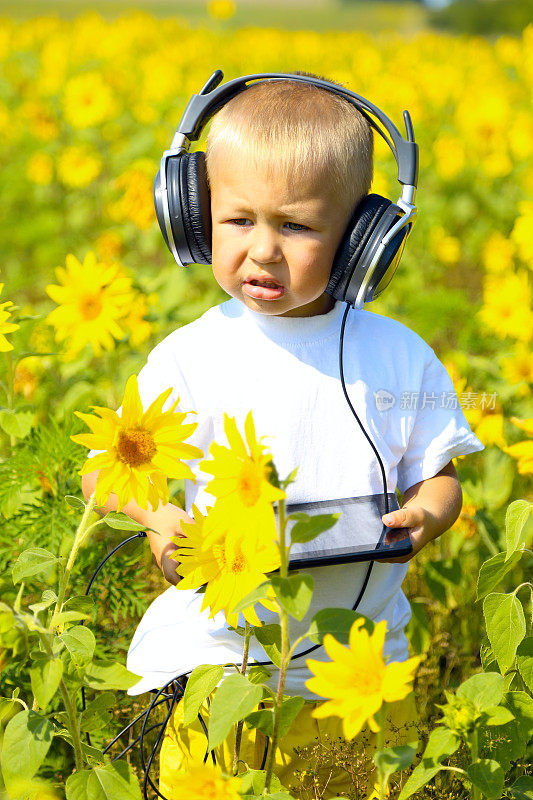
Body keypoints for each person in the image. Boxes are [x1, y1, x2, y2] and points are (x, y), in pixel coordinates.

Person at [82, 74, 484, 798]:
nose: (262, 250)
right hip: (220, 663)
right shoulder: (188, 356)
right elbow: (103, 474)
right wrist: (157, 516)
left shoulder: (396, 356)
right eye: (238, 221)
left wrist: (424, 515)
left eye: (295, 227)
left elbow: (440, 476)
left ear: (365, 239)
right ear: (195, 219)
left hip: (360, 668)